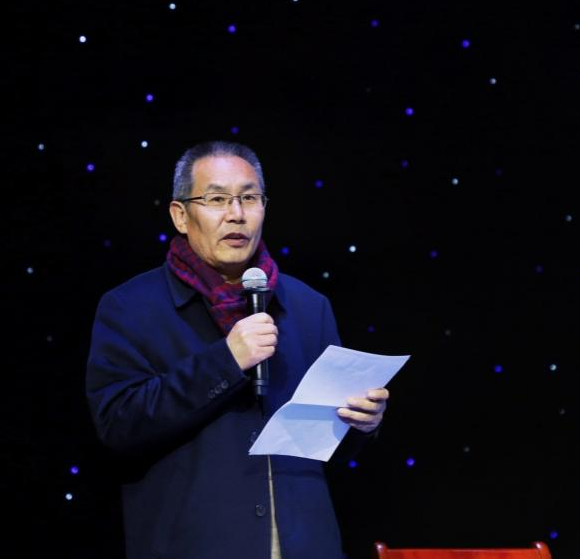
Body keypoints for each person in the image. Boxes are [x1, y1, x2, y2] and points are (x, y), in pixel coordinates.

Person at [85, 140, 389, 559]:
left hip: (304, 544)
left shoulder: (307, 306)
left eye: (249, 198)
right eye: (216, 199)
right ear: (180, 215)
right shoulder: (131, 307)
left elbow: (329, 448)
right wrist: (225, 362)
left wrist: (361, 423)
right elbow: (118, 426)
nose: (236, 214)